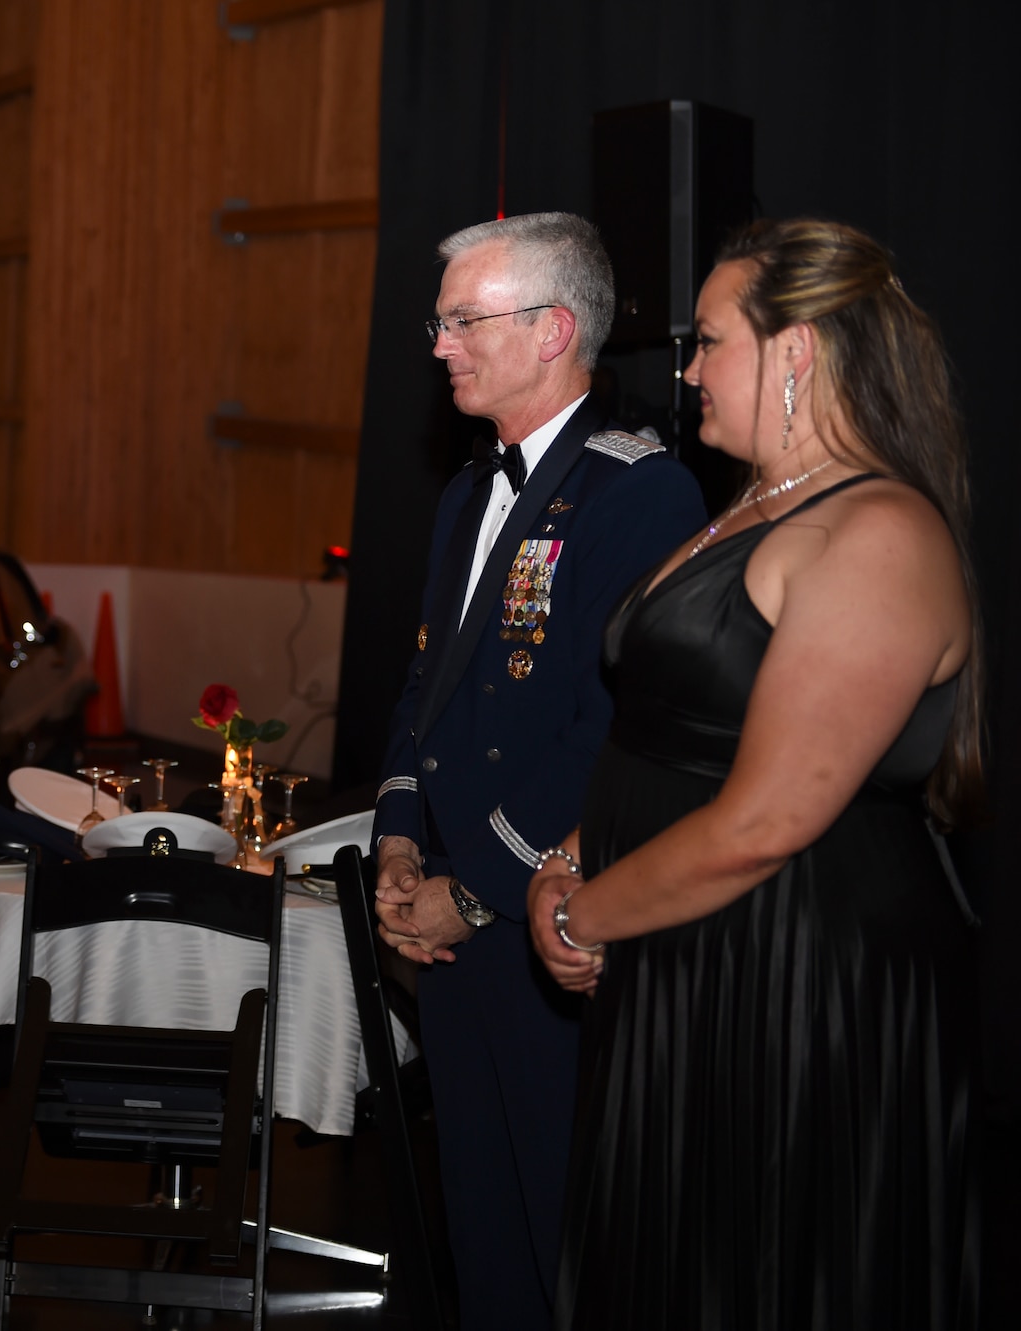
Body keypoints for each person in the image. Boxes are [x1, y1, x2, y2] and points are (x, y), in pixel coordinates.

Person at [528, 218, 980, 1329]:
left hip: (790, 977)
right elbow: (670, 733)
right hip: (687, 952)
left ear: (796, 352)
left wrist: (584, 915)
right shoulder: (749, 507)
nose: (682, 370)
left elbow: (767, 817)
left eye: (707, 339)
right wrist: (563, 859)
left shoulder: (876, 528)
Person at [369, 212, 705, 1330]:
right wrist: (401, 841)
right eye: (440, 319)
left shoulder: (638, 491)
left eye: (462, 320)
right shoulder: (468, 492)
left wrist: (469, 890)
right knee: (481, 1235)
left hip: (548, 924)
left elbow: (609, 727)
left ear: (553, 329)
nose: (437, 344)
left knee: (567, 1239)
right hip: (454, 921)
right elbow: (428, 690)